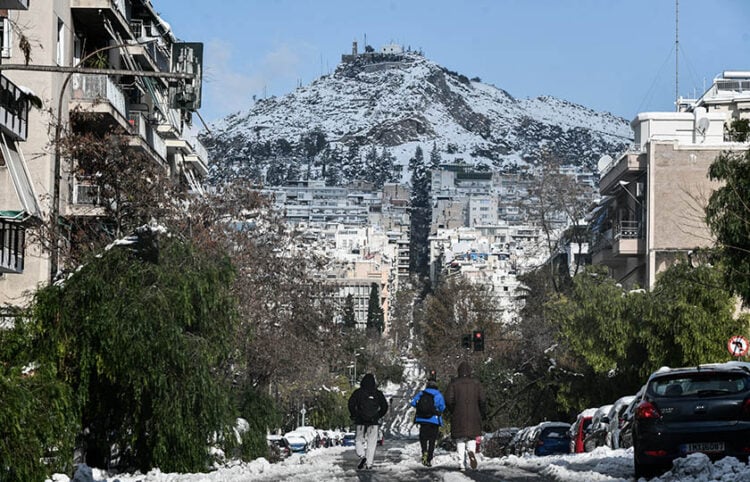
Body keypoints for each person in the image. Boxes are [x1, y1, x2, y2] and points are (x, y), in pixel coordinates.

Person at [445, 361, 486, 471]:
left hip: (458, 414)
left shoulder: (454, 383)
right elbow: (482, 400)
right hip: (474, 415)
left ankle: (461, 463)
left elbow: (448, 400)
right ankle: (471, 452)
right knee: (472, 437)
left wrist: (453, 409)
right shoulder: (476, 383)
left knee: (460, 439)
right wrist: (480, 411)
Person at [347, 373, 388, 470]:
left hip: (360, 420)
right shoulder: (378, 393)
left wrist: (354, 414)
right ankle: (369, 464)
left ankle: (362, 455)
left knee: (358, 440)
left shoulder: (358, 392)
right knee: (372, 443)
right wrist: (378, 415)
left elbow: (351, 404)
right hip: (373, 422)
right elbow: (385, 407)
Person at [410, 370, 445, 467]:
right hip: (434, 420)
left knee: (423, 438)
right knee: (432, 440)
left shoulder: (421, 393)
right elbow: (442, 407)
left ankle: (424, 452)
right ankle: (429, 457)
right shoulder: (438, 395)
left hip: (422, 419)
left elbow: (413, 403)